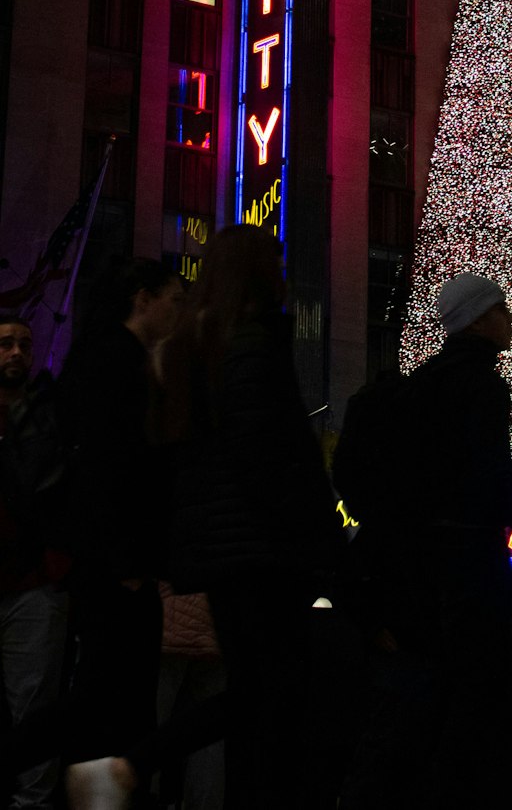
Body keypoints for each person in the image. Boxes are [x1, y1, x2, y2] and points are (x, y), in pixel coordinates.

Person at [151, 225, 339, 810]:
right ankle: (134, 762)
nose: (284, 272)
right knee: (273, 695)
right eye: (276, 261)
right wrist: (317, 540)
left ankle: (137, 762)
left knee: (255, 694)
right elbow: (268, 458)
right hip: (263, 550)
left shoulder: (197, 347)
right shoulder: (252, 346)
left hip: (225, 552)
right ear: (259, 271)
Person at [377, 273, 512, 810]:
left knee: (435, 700)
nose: (510, 319)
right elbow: (494, 474)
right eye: (501, 309)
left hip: (427, 567)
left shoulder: (423, 382)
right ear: (479, 318)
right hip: (472, 563)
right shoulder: (481, 383)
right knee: (476, 702)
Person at [57, 259, 184, 804]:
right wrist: (128, 560)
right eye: (173, 299)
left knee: (105, 694)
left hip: (107, 560)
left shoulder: (99, 357)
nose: (179, 311)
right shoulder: (120, 365)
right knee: (117, 697)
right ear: (143, 299)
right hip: (120, 566)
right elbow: (116, 469)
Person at [0, 316, 70, 809]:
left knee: (32, 702)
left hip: (31, 581)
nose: (17, 353)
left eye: (24, 344)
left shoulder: (44, 418)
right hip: (27, 576)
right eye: (6, 344)